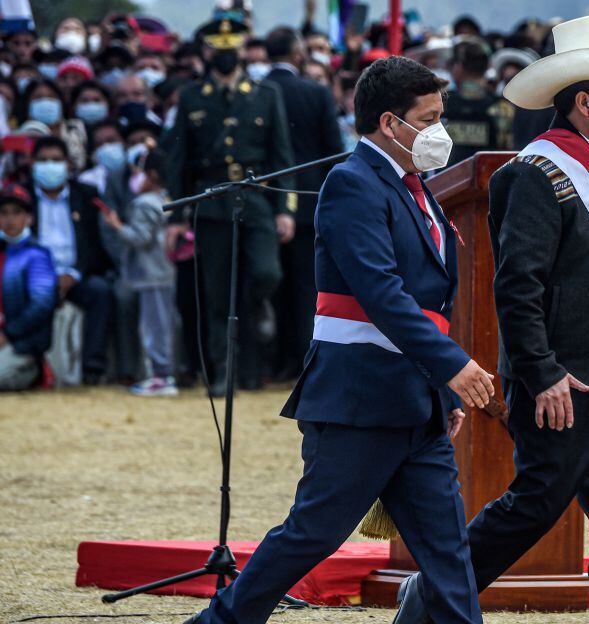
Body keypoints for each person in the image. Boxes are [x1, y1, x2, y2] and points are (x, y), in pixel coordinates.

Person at [394, 13, 589, 624]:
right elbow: (517, 288)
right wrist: (542, 371)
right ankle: (429, 597)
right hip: (560, 382)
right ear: (583, 102)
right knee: (533, 507)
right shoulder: (533, 173)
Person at [184, 55, 496, 624]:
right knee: (311, 535)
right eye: (428, 120)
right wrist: (452, 367)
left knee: (449, 552)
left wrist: (440, 390)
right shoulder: (352, 184)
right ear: (388, 124)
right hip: (359, 399)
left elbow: (433, 304)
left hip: (414, 401)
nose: (440, 132)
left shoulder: (415, 186)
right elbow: (380, 290)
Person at [164, 17, 295, 395]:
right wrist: (176, 216)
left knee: (267, 273)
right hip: (211, 200)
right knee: (217, 294)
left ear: (241, 49)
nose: (225, 54)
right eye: (218, 48)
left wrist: (285, 209)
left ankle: (259, 313)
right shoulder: (192, 96)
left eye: (231, 47)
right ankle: (225, 372)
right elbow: (179, 160)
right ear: (208, 50)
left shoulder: (265, 93)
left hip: (255, 199)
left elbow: (282, 156)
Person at [262, 27, 344, 380]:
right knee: (307, 290)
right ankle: (305, 360)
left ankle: (276, 362)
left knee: (273, 290)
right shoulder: (316, 93)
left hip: (264, 201)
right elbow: (334, 152)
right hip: (310, 204)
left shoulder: (257, 94)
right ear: (297, 54)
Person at [28, 136, 113, 384]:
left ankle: (92, 370)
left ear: (68, 164)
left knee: (100, 291)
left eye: (56, 160)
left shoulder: (86, 195)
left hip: (75, 275)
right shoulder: (21, 198)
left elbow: (93, 244)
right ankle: (33, 368)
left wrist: (74, 274)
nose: (50, 165)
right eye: (43, 160)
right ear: (32, 163)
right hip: (36, 277)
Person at [101, 148, 176, 397]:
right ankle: (162, 374)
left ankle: (161, 376)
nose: (137, 178)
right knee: (161, 324)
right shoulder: (166, 198)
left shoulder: (144, 203)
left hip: (150, 273)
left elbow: (140, 238)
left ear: (152, 175)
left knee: (154, 327)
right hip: (163, 271)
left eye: (141, 173)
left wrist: (117, 225)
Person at [0, 184, 57, 391]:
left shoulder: (37, 255)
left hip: (21, 345)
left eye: (17, 212)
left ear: (29, 218)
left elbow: (41, 305)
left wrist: (8, 334)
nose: (9, 220)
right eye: (3, 213)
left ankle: (37, 371)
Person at [441, 38, 513, 167]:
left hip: (446, 180)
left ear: (459, 67)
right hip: (487, 179)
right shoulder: (501, 107)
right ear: (488, 66)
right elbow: (507, 148)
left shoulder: (442, 103)